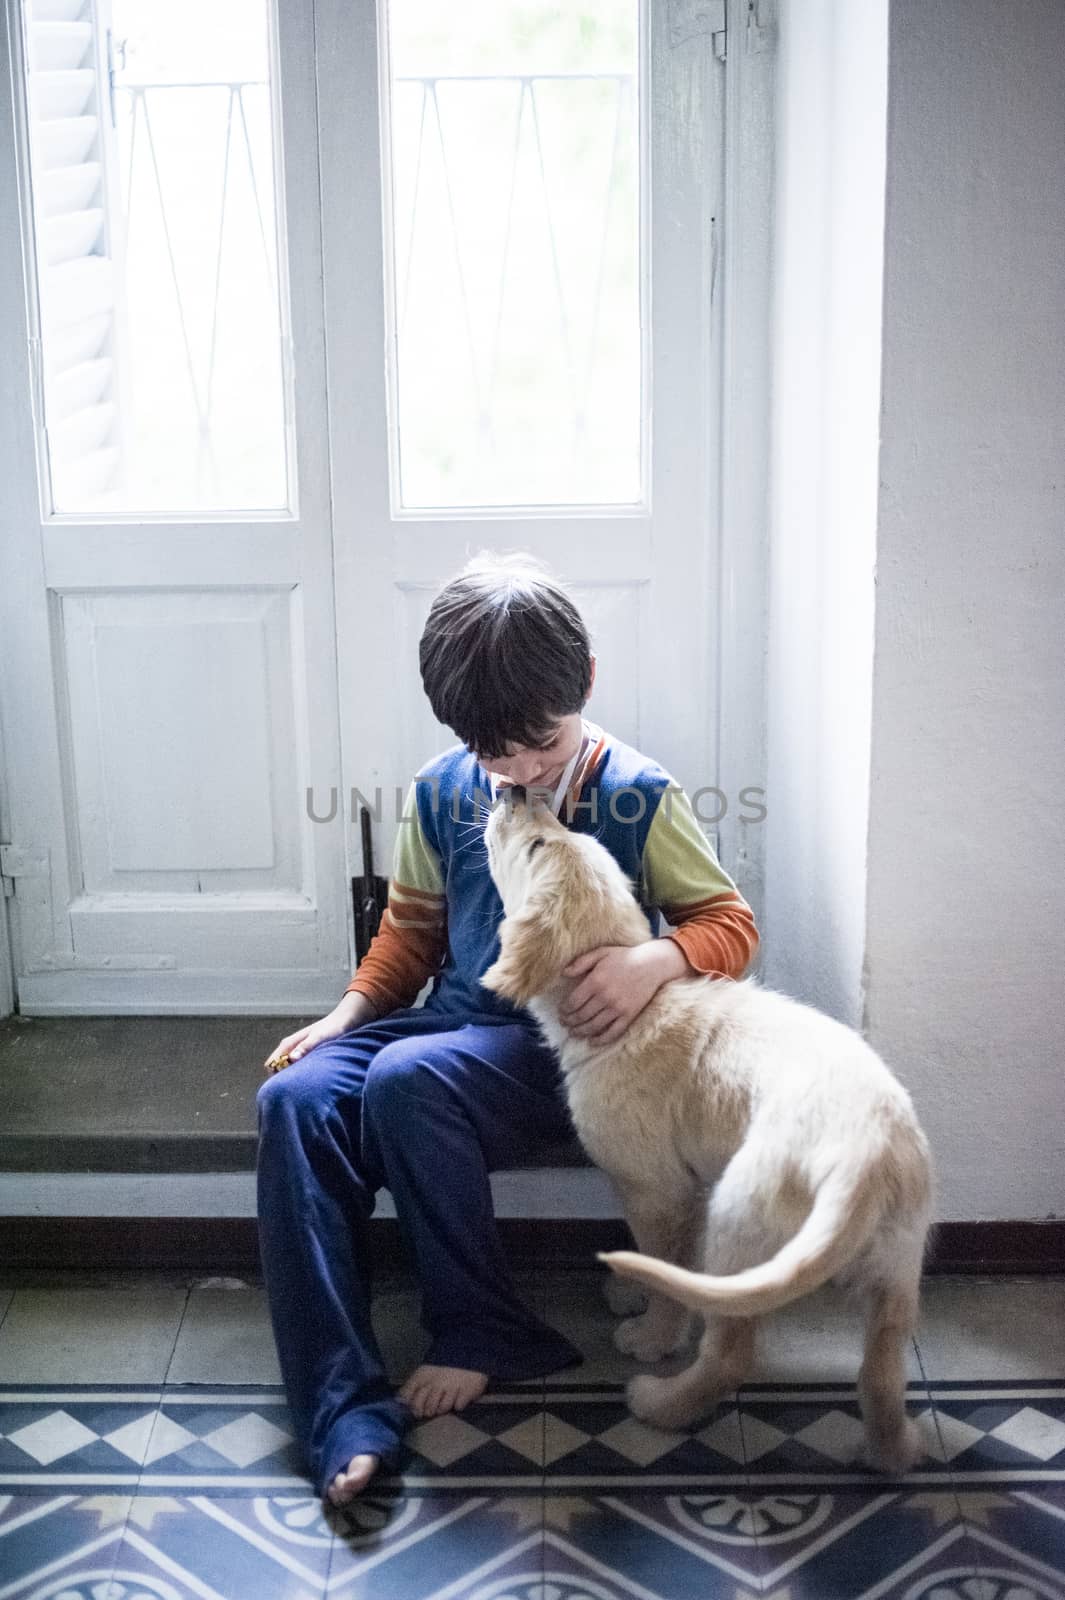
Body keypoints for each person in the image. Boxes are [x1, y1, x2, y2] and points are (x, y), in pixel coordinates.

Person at [255, 553, 760, 1510]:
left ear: (587, 686)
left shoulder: (637, 793)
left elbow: (728, 924)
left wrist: (652, 960)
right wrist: (343, 1016)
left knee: (408, 1077)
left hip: (573, 1054)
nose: (523, 771)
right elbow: (406, 939)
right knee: (294, 1096)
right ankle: (343, 1409)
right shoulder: (441, 791)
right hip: (450, 1028)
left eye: (542, 744)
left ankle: (483, 1328)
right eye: (497, 756)